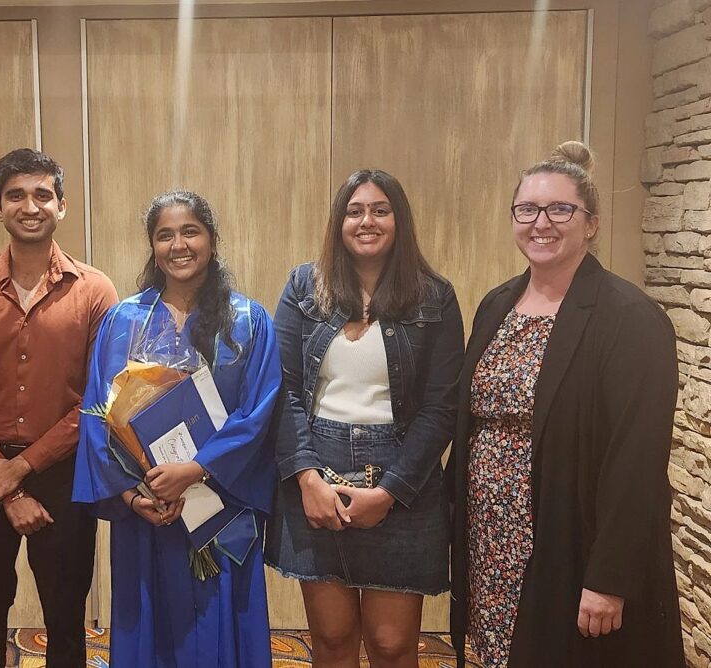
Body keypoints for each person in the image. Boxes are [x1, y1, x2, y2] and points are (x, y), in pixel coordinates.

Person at [447, 141, 684, 667]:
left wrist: (609, 578)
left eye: (560, 209)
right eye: (527, 210)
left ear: (591, 223)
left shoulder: (630, 319)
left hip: (568, 542)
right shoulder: (497, 304)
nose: (541, 223)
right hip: (493, 540)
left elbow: (637, 461)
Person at [73, 190, 281, 667]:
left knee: (222, 624)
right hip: (149, 507)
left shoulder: (249, 322)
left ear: (211, 239)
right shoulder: (123, 321)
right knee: (149, 626)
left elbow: (259, 413)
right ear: (152, 246)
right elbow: (97, 416)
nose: (178, 244)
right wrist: (130, 496)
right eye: (165, 234)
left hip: (220, 507)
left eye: (191, 231)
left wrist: (197, 469)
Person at [266, 170, 463, 668]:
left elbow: (443, 406)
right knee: (331, 639)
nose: (366, 221)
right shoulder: (304, 286)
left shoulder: (434, 296)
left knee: (392, 643)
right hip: (317, 472)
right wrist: (306, 478)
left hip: (403, 479)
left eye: (380, 209)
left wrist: (391, 491)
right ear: (339, 221)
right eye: (355, 211)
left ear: (399, 219)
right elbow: (283, 390)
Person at [0, 148, 117, 667]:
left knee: (66, 620)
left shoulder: (96, 291)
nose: (30, 205)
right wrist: (0, 477)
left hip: (64, 476)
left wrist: (21, 469)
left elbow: (99, 399)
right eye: (16, 195)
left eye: (43, 194)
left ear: (62, 205)